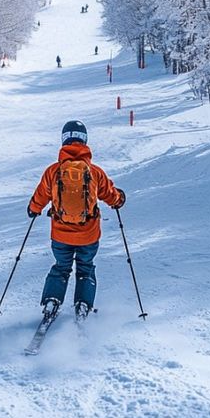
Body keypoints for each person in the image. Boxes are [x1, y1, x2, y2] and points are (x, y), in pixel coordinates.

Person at [27, 120, 125, 321]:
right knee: (85, 267)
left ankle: (51, 301)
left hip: (61, 234)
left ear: (64, 140)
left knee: (61, 267)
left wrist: (34, 209)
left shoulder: (53, 171)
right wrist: (119, 199)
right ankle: (82, 304)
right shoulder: (95, 172)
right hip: (88, 234)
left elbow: (41, 195)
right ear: (85, 140)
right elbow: (110, 195)